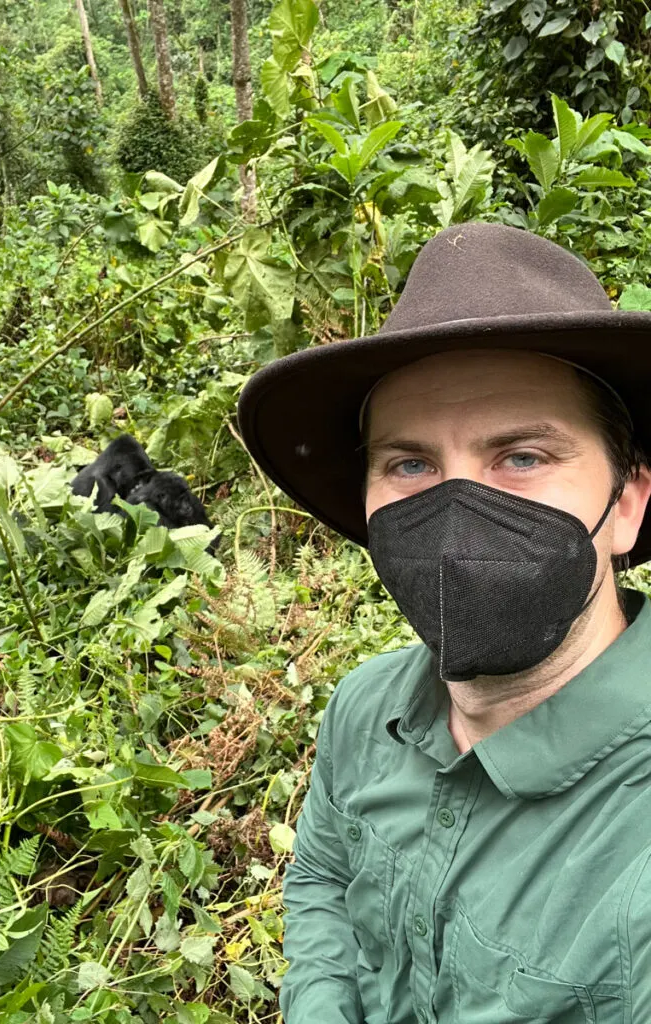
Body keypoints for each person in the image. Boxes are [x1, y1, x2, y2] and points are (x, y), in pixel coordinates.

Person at [236, 222, 651, 1023]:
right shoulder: (366, 709)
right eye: (410, 464)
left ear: (627, 501)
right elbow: (322, 879)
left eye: (522, 457)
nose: (456, 516)